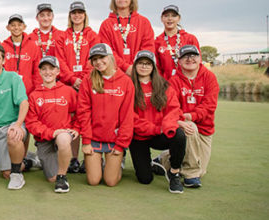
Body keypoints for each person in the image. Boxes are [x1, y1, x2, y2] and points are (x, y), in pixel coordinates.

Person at [76, 43, 134, 187]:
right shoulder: (88, 80)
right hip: (94, 138)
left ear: (110, 57)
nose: (98, 62)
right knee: (94, 181)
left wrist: (121, 144)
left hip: (114, 139)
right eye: (94, 59)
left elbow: (127, 116)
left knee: (110, 181)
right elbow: (84, 112)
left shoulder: (126, 81)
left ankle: (116, 163)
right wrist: (86, 141)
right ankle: (100, 163)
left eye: (102, 57)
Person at [163, 45, 219, 188]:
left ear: (199, 58)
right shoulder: (174, 81)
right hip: (185, 126)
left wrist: (191, 115)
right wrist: (184, 119)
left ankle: (164, 160)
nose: (190, 59)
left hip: (205, 129)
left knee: (203, 171)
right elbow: (171, 106)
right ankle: (190, 174)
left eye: (193, 56)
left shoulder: (209, 77)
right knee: (190, 128)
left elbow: (209, 105)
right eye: (185, 56)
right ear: (179, 61)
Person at [129, 51, 185, 193]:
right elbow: (129, 117)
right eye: (141, 63)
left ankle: (174, 172)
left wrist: (163, 128)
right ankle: (153, 164)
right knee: (145, 179)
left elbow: (173, 110)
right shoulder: (128, 86)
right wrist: (154, 129)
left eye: (148, 63)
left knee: (179, 135)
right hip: (138, 137)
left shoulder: (164, 86)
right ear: (135, 65)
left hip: (160, 134)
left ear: (153, 66)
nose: (144, 66)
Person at [55, 1, 99, 173]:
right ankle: (72, 158)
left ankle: (90, 156)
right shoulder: (62, 36)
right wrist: (72, 79)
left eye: (80, 12)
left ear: (85, 15)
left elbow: (93, 59)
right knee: (70, 119)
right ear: (70, 15)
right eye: (74, 12)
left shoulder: (92, 35)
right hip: (68, 84)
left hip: (88, 83)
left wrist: (83, 79)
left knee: (87, 118)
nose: (77, 15)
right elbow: (60, 61)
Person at [25, 56, 78, 193]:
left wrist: (76, 128)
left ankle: (62, 177)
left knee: (63, 138)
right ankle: (36, 159)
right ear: (40, 72)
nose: (48, 72)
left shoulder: (68, 91)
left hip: (63, 134)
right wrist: (51, 133)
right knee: (51, 178)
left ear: (58, 71)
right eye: (44, 69)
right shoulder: (34, 95)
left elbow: (79, 112)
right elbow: (31, 123)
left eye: (51, 68)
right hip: (45, 139)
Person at [0, 43, 29, 190]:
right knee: (5, 173)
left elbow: (24, 103)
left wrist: (17, 124)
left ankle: (17, 175)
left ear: (3, 60)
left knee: (13, 135)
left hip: (15, 123)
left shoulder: (13, 77)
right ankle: (30, 161)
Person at [98, 0, 154, 75]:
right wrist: (125, 67)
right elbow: (107, 51)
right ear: (114, 0)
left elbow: (148, 47)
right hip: (114, 72)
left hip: (139, 72)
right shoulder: (106, 24)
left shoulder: (143, 22)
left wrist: (137, 66)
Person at [154, 4, 200, 80]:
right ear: (161, 19)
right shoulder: (157, 42)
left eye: (173, 16)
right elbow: (157, 68)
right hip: (166, 85)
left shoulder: (190, 38)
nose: (170, 19)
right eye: (166, 16)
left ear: (179, 19)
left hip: (187, 84)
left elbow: (198, 63)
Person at [2, 14, 40, 95]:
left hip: (28, 91)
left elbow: (37, 70)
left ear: (24, 27)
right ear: (8, 28)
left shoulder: (33, 46)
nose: (16, 28)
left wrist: (35, 90)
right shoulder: (3, 46)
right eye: (13, 25)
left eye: (19, 25)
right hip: (8, 91)